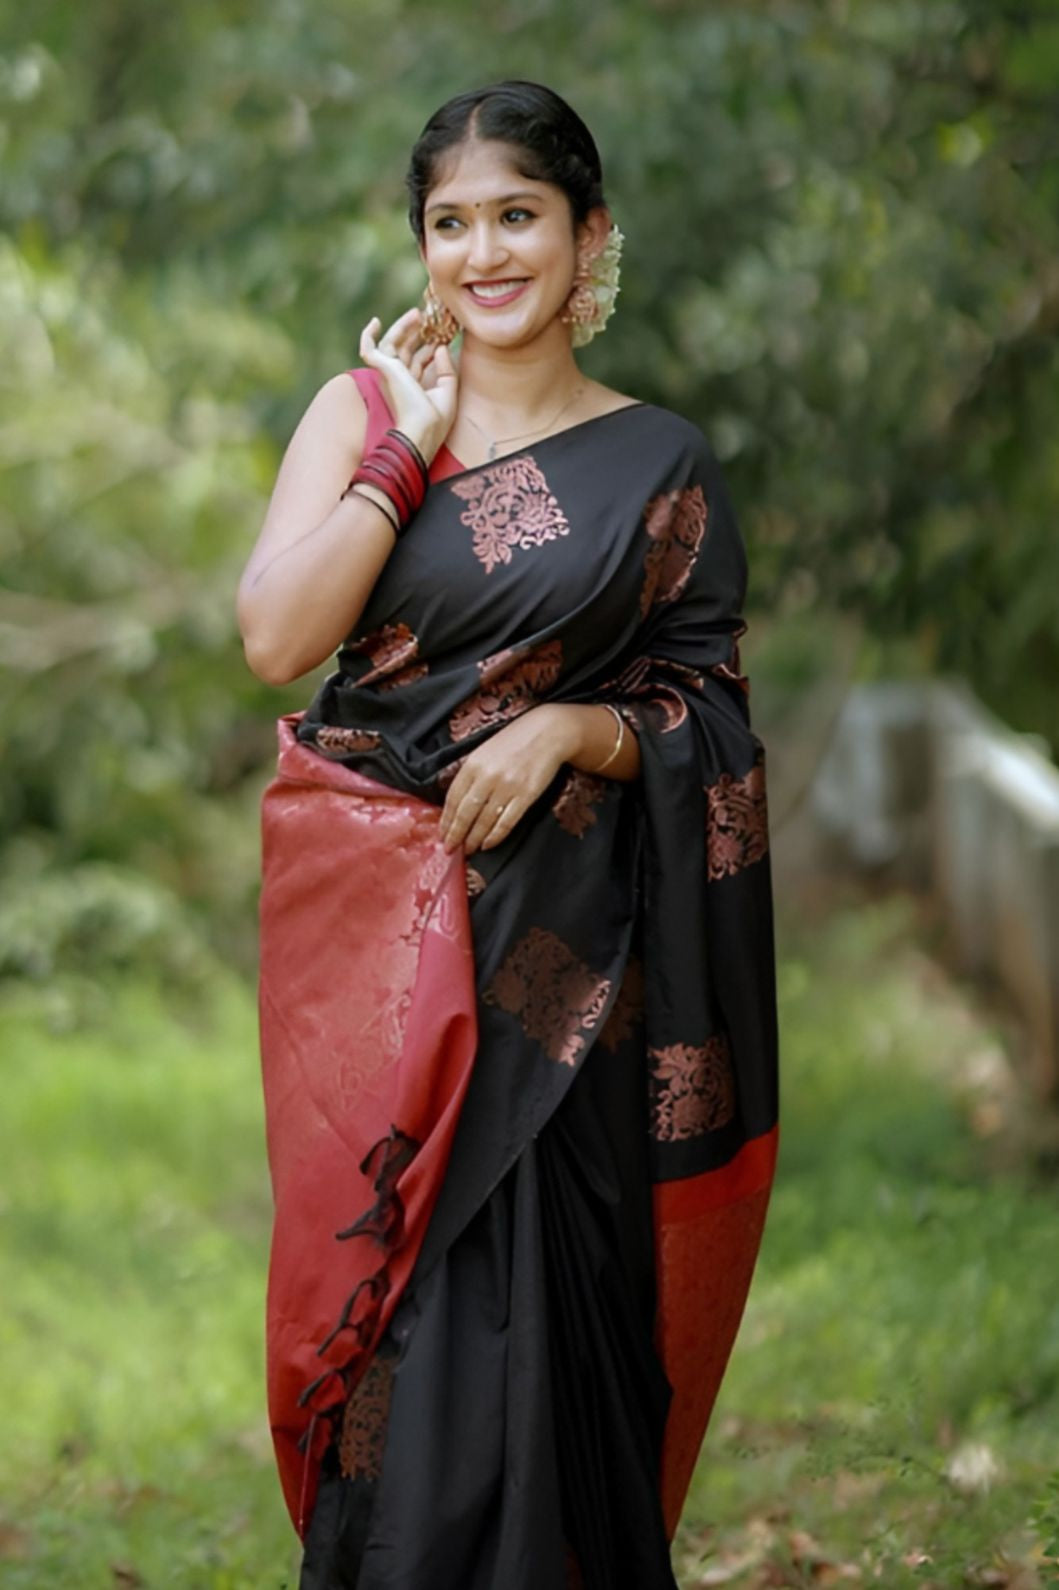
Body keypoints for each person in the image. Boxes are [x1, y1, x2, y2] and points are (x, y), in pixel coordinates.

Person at [237, 79, 779, 1590]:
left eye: (517, 216)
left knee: (556, 1327)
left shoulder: (657, 465)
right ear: (420, 244)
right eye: (451, 222)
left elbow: (711, 717)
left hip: (570, 976)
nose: (484, 251)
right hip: (381, 971)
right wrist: (402, 451)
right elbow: (279, 632)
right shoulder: (358, 419)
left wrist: (568, 730)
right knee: (396, 1324)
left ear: (587, 235)